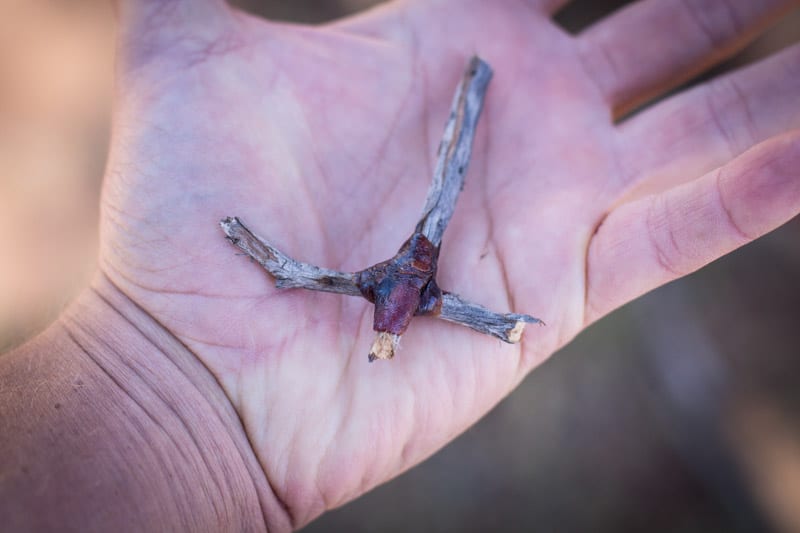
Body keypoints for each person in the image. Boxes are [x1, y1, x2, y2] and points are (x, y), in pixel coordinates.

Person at [1, 0, 798, 530]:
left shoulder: (395, 300)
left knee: (447, 181)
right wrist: (156, 360)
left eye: (381, 346)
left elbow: (394, 292)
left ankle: (473, 90)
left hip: (414, 262)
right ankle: (472, 93)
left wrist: (156, 366)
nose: (383, 347)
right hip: (408, 267)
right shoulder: (387, 301)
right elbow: (341, 282)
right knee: (442, 188)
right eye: (386, 344)